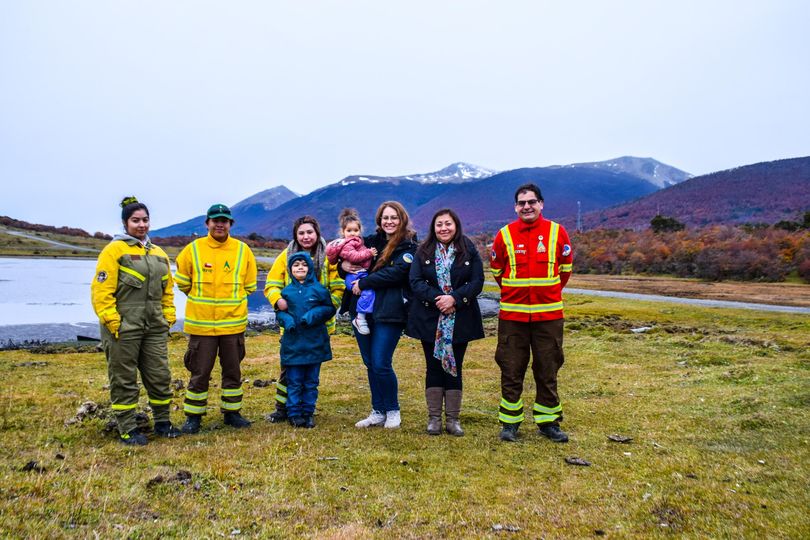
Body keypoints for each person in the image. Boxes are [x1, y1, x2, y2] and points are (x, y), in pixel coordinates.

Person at [91, 196, 181, 445]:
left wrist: (168, 315)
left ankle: (163, 422)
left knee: (159, 375)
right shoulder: (114, 251)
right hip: (123, 327)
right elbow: (101, 290)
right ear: (125, 223)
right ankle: (128, 428)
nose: (141, 225)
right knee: (123, 378)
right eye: (135, 220)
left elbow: (168, 289)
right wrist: (112, 320)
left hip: (154, 326)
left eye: (145, 220)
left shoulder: (159, 253)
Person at [490, 183, 573, 443]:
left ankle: (548, 422)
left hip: (548, 317)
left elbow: (565, 269)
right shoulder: (504, 235)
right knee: (511, 368)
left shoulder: (558, 232)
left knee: (547, 369)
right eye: (522, 203)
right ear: (515, 207)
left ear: (541, 204)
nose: (527, 206)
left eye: (532, 202)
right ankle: (510, 423)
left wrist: (544, 294)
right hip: (513, 317)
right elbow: (498, 271)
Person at [174, 204, 257, 433]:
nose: (219, 224)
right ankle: (193, 417)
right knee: (199, 373)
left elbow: (250, 286)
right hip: (201, 326)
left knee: (232, 371)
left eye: (224, 220)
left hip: (232, 324)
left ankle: (232, 414)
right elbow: (182, 281)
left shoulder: (243, 251)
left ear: (230, 224)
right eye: (215, 220)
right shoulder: (193, 250)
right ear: (207, 223)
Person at [406, 209, 484, 436]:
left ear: (456, 225)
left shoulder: (468, 249)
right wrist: (438, 299)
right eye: (439, 224)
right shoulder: (423, 250)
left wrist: (455, 299)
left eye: (448, 224)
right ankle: (433, 419)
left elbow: (478, 280)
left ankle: (453, 419)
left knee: (454, 368)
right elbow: (415, 281)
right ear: (433, 227)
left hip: (460, 317)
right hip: (429, 318)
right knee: (433, 367)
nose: (443, 228)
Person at [344, 201, 417, 429]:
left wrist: (364, 281)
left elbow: (395, 274)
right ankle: (378, 410)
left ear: (402, 219)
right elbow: (349, 257)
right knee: (370, 363)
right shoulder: (370, 241)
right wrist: (344, 266)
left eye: (393, 217)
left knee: (381, 362)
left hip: (391, 311)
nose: (389, 221)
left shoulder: (409, 246)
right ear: (379, 220)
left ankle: (392, 409)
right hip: (362, 311)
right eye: (385, 217)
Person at [264, 216, 344, 423]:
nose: (306, 236)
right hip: (292, 326)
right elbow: (271, 284)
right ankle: (284, 409)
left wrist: (327, 309)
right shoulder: (285, 256)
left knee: (310, 372)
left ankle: (304, 409)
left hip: (319, 325)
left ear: (317, 233)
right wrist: (277, 300)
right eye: (301, 233)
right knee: (288, 370)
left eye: (310, 232)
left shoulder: (329, 257)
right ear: (295, 236)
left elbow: (338, 287)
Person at [275, 252, 337, 428]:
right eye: (296, 265)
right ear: (290, 270)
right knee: (294, 381)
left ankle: (308, 412)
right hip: (293, 343)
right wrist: (286, 321)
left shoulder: (319, 290)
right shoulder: (286, 292)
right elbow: (280, 313)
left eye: (304, 264)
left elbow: (329, 309)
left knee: (311, 382)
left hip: (314, 343)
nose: (300, 267)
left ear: (310, 268)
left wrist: (313, 315)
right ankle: (294, 414)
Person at [326, 208, 377, 335]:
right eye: (349, 230)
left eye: (356, 230)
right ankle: (360, 318)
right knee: (368, 292)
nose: (353, 233)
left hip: (360, 274)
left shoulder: (359, 242)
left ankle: (361, 317)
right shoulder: (347, 244)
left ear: (360, 230)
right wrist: (369, 253)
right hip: (354, 276)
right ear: (343, 232)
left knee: (369, 293)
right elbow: (354, 257)